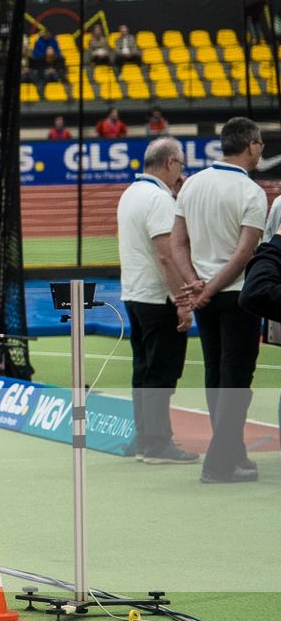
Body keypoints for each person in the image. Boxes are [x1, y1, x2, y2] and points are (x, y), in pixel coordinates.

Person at [173, 117, 266, 484]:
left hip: (206, 297)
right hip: (236, 295)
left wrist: (195, 283)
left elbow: (178, 242)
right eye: (260, 143)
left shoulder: (192, 184)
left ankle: (232, 452)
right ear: (251, 146)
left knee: (216, 375)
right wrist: (209, 287)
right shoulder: (251, 193)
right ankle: (219, 463)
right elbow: (245, 253)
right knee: (237, 380)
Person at [118, 139, 201, 465]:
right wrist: (182, 301)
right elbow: (167, 255)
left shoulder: (131, 194)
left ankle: (142, 438)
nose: (181, 171)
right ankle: (157, 443)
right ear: (170, 163)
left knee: (143, 368)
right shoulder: (158, 200)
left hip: (135, 294)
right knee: (162, 371)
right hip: (157, 298)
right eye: (180, 164)